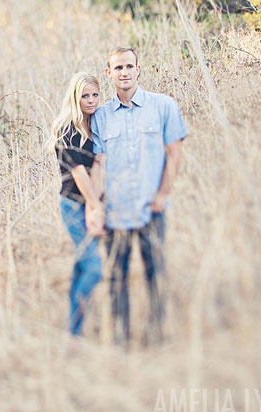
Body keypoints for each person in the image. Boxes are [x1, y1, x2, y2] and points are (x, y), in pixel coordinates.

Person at [91, 47, 188, 345]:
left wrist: (162, 195)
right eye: (118, 67)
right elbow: (97, 165)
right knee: (116, 280)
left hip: (151, 208)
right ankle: (120, 341)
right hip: (116, 213)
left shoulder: (163, 106)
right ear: (109, 73)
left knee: (155, 273)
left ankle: (158, 337)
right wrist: (95, 208)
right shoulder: (101, 116)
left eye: (129, 66)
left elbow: (174, 153)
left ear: (138, 69)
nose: (124, 72)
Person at [48, 73, 106, 336]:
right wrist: (94, 208)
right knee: (94, 268)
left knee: (82, 267)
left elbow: (99, 167)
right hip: (73, 205)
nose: (91, 100)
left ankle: (74, 333)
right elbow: (79, 173)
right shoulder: (65, 128)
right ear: (75, 96)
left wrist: (97, 207)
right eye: (85, 96)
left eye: (95, 95)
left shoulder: (97, 126)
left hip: (94, 201)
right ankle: (73, 330)